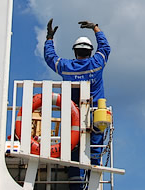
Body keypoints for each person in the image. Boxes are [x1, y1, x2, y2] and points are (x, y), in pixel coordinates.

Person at [44, 19, 111, 190]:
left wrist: (49, 38)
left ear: (75, 52)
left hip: (73, 118)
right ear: (90, 52)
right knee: (95, 147)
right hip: (95, 115)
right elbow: (105, 49)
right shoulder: (96, 64)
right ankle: (94, 176)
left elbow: (50, 57)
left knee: (73, 151)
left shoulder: (66, 67)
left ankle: (76, 185)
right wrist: (96, 28)